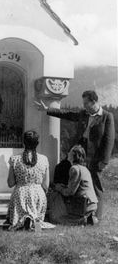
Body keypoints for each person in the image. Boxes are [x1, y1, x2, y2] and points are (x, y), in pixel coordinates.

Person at [34, 90, 115, 221]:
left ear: (94, 102)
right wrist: (47, 109)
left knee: (95, 184)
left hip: (95, 157)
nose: (84, 106)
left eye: (86, 103)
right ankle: (70, 209)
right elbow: (67, 114)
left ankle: (96, 216)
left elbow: (109, 140)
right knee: (63, 169)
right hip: (79, 153)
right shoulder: (84, 114)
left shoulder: (107, 116)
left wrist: (104, 161)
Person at [6, 130, 55, 231]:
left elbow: (10, 183)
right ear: (37, 143)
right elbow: (46, 185)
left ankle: (22, 222)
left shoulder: (14, 159)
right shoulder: (44, 159)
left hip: (20, 195)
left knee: (17, 220)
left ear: (24, 142)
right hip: (38, 194)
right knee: (37, 216)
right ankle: (35, 225)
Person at [49, 145, 98, 225]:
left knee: (56, 219)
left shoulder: (74, 169)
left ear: (74, 156)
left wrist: (58, 188)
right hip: (90, 203)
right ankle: (87, 218)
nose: (68, 154)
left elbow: (69, 192)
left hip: (84, 205)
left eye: (70, 152)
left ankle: (84, 220)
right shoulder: (84, 168)